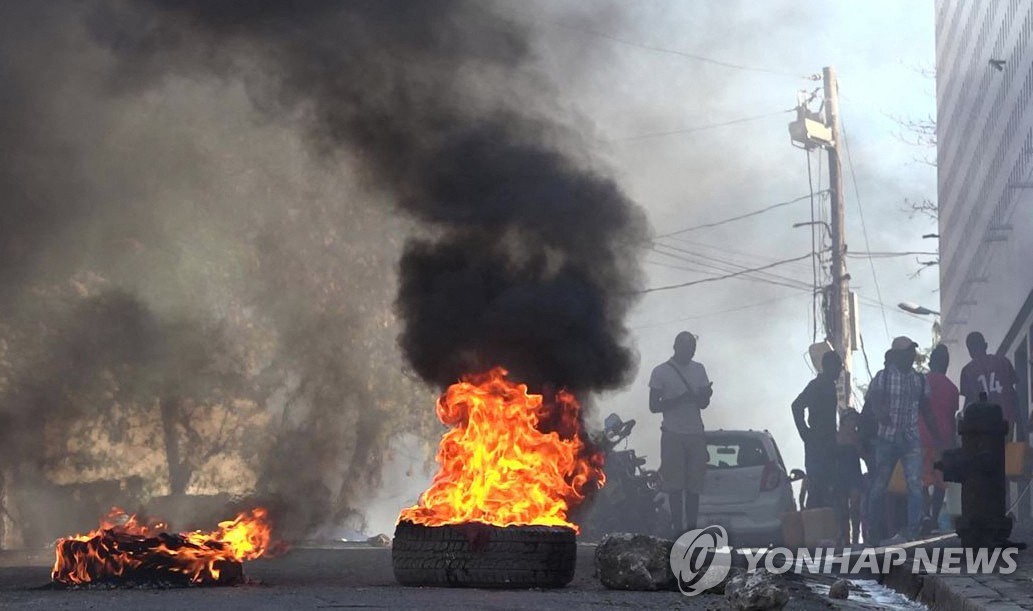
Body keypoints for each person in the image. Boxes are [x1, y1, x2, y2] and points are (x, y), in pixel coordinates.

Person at [865, 337, 945, 543]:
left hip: (910, 439)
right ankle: (872, 530)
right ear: (897, 355)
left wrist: (938, 438)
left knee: (915, 485)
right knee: (880, 485)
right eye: (908, 352)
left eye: (913, 351)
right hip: (887, 439)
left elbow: (926, 411)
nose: (912, 355)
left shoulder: (919, 380)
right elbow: (873, 400)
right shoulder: (882, 377)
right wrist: (880, 412)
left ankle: (912, 530)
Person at [649, 331, 713, 535]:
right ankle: (678, 530)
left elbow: (703, 404)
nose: (690, 352)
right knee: (675, 486)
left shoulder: (699, 369)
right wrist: (680, 399)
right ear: (676, 347)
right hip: (673, 433)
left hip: (695, 433)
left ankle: (691, 530)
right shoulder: (660, 372)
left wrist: (705, 395)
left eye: (693, 349)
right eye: (687, 348)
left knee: (694, 487)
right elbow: (653, 406)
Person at [791, 350, 843, 509]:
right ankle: (815, 524)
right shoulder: (818, 385)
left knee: (830, 487)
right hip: (817, 444)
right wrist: (805, 433)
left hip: (828, 442)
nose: (840, 370)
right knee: (817, 486)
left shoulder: (829, 385)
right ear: (828, 366)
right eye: (837, 366)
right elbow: (796, 405)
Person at [920, 344, 959, 531]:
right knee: (939, 482)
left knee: (922, 479)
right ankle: (933, 517)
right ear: (946, 364)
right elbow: (951, 419)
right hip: (942, 441)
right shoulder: (952, 389)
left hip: (920, 438)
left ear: (930, 362)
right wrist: (951, 443)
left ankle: (926, 516)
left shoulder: (921, 381)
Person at [960, 332, 1023, 439]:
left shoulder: (967, 371)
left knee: (987, 454)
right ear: (986, 345)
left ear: (969, 351)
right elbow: (1013, 395)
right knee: (1004, 453)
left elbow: (969, 403)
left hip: (982, 425)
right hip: (1005, 420)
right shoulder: (1003, 362)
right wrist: (1020, 426)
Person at [835, 407, 864, 545]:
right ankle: (846, 540)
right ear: (844, 421)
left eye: (855, 419)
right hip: (840, 476)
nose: (854, 422)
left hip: (854, 475)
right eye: (851, 419)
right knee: (843, 510)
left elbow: (863, 454)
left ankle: (856, 539)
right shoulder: (836, 436)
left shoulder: (857, 437)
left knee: (855, 508)